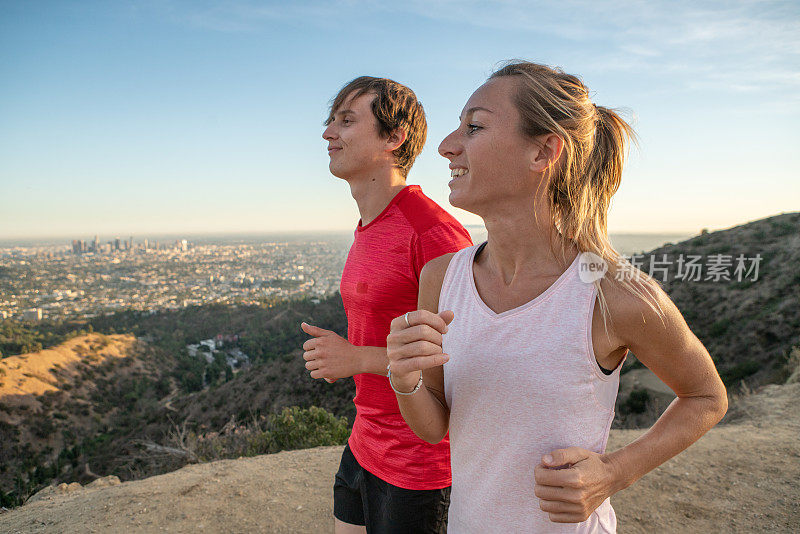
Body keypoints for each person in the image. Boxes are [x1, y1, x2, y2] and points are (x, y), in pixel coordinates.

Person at [385, 61, 728, 532]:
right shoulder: (441, 278)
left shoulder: (612, 293)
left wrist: (613, 472)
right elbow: (434, 425)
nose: (446, 145)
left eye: (475, 126)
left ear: (544, 152)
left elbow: (706, 395)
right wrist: (405, 379)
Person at [300, 76, 473, 533]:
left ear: (394, 138)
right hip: (364, 444)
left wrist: (354, 357)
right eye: (331, 120)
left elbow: (462, 355)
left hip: (420, 467)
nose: (328, 134)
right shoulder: (369, 226)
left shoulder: (432, 233)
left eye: (347, 120)